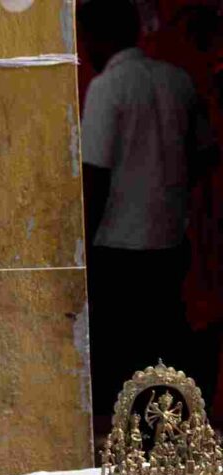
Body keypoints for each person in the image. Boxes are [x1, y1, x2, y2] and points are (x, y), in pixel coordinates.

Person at [79, 0, 212, 420]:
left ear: (95, 38)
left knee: (120, 357)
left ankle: (127, 439)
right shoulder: (178, 80)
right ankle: (170, 434)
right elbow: (206, 153)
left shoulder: (107, 87)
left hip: (118, 246)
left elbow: (95, 174)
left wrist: (82, 246)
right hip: (171, 240)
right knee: (165, 347)